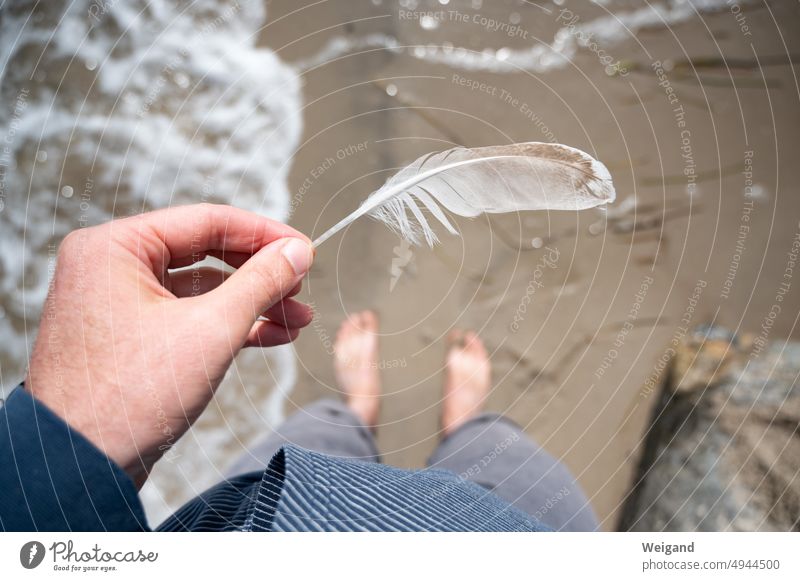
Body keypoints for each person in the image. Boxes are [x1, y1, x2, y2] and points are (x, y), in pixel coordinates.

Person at [0, 204, 596, 531]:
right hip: (511, 534)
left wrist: (72, 446)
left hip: (270, 514)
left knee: (315, 436)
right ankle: (465, 424)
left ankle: (354, 411)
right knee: (503, 456)